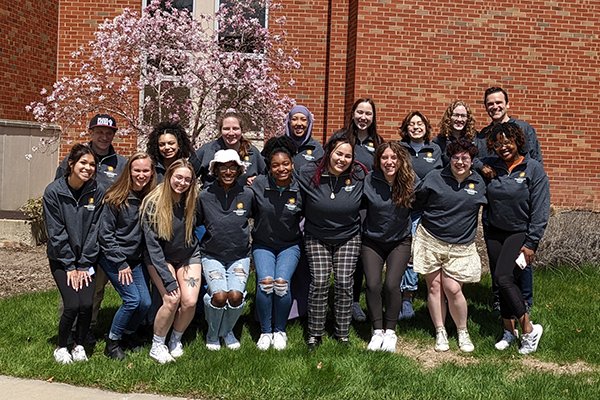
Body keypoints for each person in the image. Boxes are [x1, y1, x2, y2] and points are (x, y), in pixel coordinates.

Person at [54, 113, 127, 344]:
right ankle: (69, 329)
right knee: (73, 285)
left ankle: (88, 328)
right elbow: (60, 192)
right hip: (78, 236)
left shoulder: (121, 163)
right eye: (99, 132)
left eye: (108, 132)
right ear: (91, 133)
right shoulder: (74, 159)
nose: (103, 136)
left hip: (105, 236)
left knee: (95, 288)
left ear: (114, 134)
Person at [412, 139, 487, 353]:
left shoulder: (480, 182)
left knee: (453, 288)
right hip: (431, 239)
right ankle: (440, 331)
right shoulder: (435, 177)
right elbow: (418, 201)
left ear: (472, 161)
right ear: (450, 159)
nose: (460, 162)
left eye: (465, 158)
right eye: (456, 157)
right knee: (434, 287)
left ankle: (462, 331)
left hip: (461, 245)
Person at [482, 122, 550, 354]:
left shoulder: (533, 169)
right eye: (498, 143)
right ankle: (508, 331)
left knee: (504, 277)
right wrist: (482, 166)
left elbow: (540, 209)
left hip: (519, 232)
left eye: (507, 142)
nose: (504, 147)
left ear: (518, 141)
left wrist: (532, 242)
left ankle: (529, 330)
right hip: (494, 231)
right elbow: (470, 157)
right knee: (499, 283)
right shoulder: (492, 166)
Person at [297, 133, 366, 350]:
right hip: (316, 235)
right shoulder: (308, 173)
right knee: (320, 281)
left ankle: (342, 332)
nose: (342, 160)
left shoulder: (359, 175)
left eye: (347, 156)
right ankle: (315, 333)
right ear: (329, 153)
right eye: (338, 154)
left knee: (345, 282)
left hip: (349, 236)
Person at [477, 87, 543, 313]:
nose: (494, 107)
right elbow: (474, 159)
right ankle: (500, 302)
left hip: (519, 212)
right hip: (494, 213)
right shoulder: (483, 135)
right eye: (490, 104)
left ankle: (525, 303)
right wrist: (481, 166)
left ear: (507, 104)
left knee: (520, 263)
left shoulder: (523, 128)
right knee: (498, 264)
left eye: (498, 102)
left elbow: (535, 164)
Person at [43, 144, 104, 364]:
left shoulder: (96, 191)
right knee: (71, 304)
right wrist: (70, 265)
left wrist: (83, 263)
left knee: (86, 304)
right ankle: (61, 346)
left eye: (92, 164)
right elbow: (56, 232)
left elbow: (96, 229)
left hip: (86, 259)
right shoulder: (53, 192)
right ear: (71, 164)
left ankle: (78, 344)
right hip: (61, 259)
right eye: (83, 163)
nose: (88, 168)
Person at [140, 159, 201, 364]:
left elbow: (202, 225)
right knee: (172, 298)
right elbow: (153, 246)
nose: (182, 183)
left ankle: (176, 338)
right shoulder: (153, 202)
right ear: (169, 176)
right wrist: (168, 279)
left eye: (187, 180)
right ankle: (157, 344)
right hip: (160, 257)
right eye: (178, 177)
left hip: (188, 255)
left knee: (190, 301)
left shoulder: (192, 200)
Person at [98, 152, 157, 360]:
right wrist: (120, 263)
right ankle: (112, 342)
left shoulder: (151, 198)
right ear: (129, 172)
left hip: (136, 259)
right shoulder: (115, 198)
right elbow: (105, 235)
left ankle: (129, 334)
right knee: (132, 300)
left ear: (151, 173)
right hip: (115, 258)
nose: (141, 175)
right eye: (137, 170)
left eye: (145, 171)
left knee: (146, 303)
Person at [197, 149, 254, 351]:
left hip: (240, 256)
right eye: (223, 167)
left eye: (232, 167)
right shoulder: (204, 196)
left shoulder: (247, 194)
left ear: (239, 170)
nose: (228, 172)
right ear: (216, 169)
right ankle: (213, 333)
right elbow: (195, 224)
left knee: (236, 296)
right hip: (212, 255)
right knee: (219, 296)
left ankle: (227, 331)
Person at [361, 142, 416, 352]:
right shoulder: (370, 181)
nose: (389, 162)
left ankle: (390, 331)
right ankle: (377, 331)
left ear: (401, 160)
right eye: (385, 158)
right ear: (379, 161)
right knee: (373, 284)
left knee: (392, 285)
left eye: (394, 158)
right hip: (372, 241)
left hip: (399, 241)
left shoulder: (411, 181)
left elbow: (424, 202)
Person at [250, 136, 303, 350]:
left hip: (289, 245)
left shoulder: (300, 188)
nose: (281, 168)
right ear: (269, 168)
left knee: (281, 283)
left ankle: (280, 330)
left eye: (285, 164)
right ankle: (265, 331)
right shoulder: (259, 185)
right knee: (265, 283)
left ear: (292, 164)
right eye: (276, 165)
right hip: (263, 244)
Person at [338, 98, 385, 322]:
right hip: (345, 203)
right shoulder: (341, 138)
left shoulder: (378, 142)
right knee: (348, 255)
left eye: (368, 114)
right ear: (353, 114)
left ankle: (356, 302)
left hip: (369, 205)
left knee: (362, 254)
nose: (363, 117)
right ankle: (344, 300)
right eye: (360, 112)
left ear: (373, 117)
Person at [397, 111, 443, 320]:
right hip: (406, 208)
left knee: (427, 254)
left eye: (420, 124)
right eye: (411, 124)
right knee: (408, 252)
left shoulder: (435, 149)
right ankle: (405, 298)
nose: (416, 127)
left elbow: (441, 176)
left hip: (431, 210)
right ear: (406, 129)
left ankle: (436, 295)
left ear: (426, 127)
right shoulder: (399, 149)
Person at [194, 110, 266, 186]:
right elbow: (187, 174)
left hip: (243, 197)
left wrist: (257, 180)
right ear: (220, 130)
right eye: (226, 129)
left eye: (235, 128)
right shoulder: (207, 151)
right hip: (213, 197)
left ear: (242, 130)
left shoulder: (252, 152)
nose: (231, 133)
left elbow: (268, 177)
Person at [434, 100, 478, 166]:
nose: (459, 119)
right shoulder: (439, 141)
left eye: (463, 116)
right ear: (449, 117)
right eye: (456, 115)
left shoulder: (475, 139)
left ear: (468, 119)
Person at [283, 105, 324, 170]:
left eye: (303, 119)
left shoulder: (316, 149)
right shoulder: (279, 145)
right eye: (294, 119)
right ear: (289, 122)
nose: (299, 123)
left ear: (308, 123)